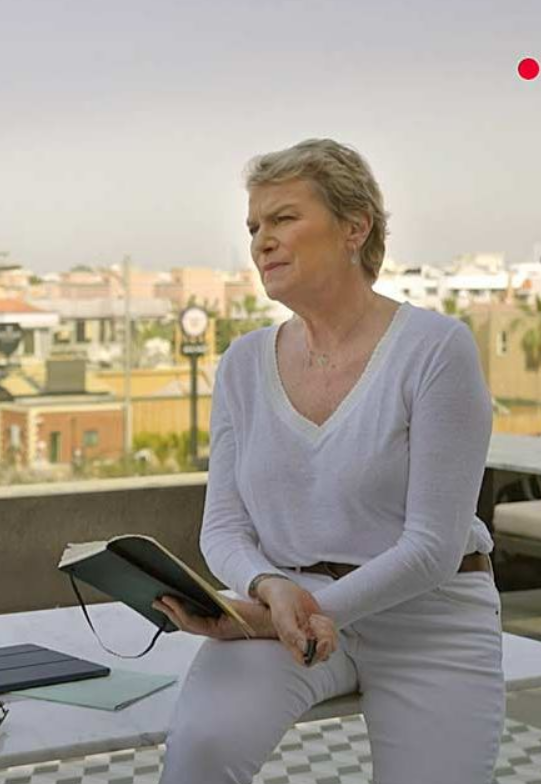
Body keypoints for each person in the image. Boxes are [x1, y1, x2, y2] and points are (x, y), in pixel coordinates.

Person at [151, 139, 502, 784]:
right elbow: (223, 528)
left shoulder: (435, 350)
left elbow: (431, 546)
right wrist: (266, 588)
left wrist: (295, 614)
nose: (262, 242)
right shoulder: (242, 364)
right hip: (286, 603)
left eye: (283, 219)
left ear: (354, 227)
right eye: (253, 227)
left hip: (430, 616)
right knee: (200, 753)